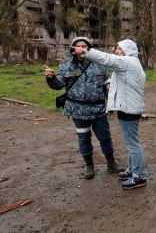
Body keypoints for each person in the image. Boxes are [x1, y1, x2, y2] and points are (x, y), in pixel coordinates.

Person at [70, 39, 147, 190]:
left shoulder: (126, 62)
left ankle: (139, 175)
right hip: (129, 107)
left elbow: (106, 59)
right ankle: (132, 170)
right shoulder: (132, 64)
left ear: (127, 50)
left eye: (119, 49)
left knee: (132, 143)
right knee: (130, 142)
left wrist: (86, 52)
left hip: (128, 108)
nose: (116, 51)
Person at [44, 37, 124, 180]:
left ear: (89, 48)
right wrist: (51, 78)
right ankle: (89, 166)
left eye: (84, 46)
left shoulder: (99, 64)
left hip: (98, 110)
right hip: (78, 111)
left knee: (105, 137)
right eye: (77, 46)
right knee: (84, 138)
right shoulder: (67, 65)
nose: (80, 48)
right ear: (72, 49)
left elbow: (107, 84)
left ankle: (111, 163)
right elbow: (59, 85)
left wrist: (112, 101)